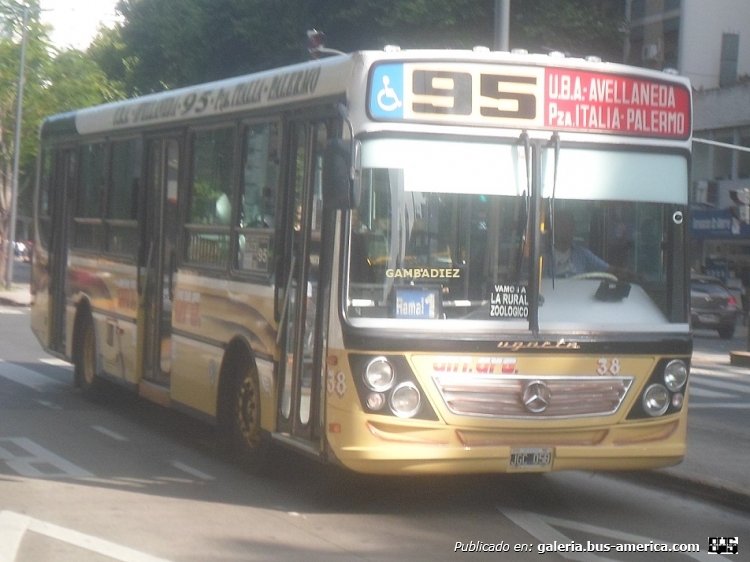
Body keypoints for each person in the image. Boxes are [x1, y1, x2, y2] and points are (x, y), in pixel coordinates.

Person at [544, 209, 608, 277]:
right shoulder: (542, 256)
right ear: (551, 229)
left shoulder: (582, 254)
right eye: (561, 225)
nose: (566, 229)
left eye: (570, 225)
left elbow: (608, 270)